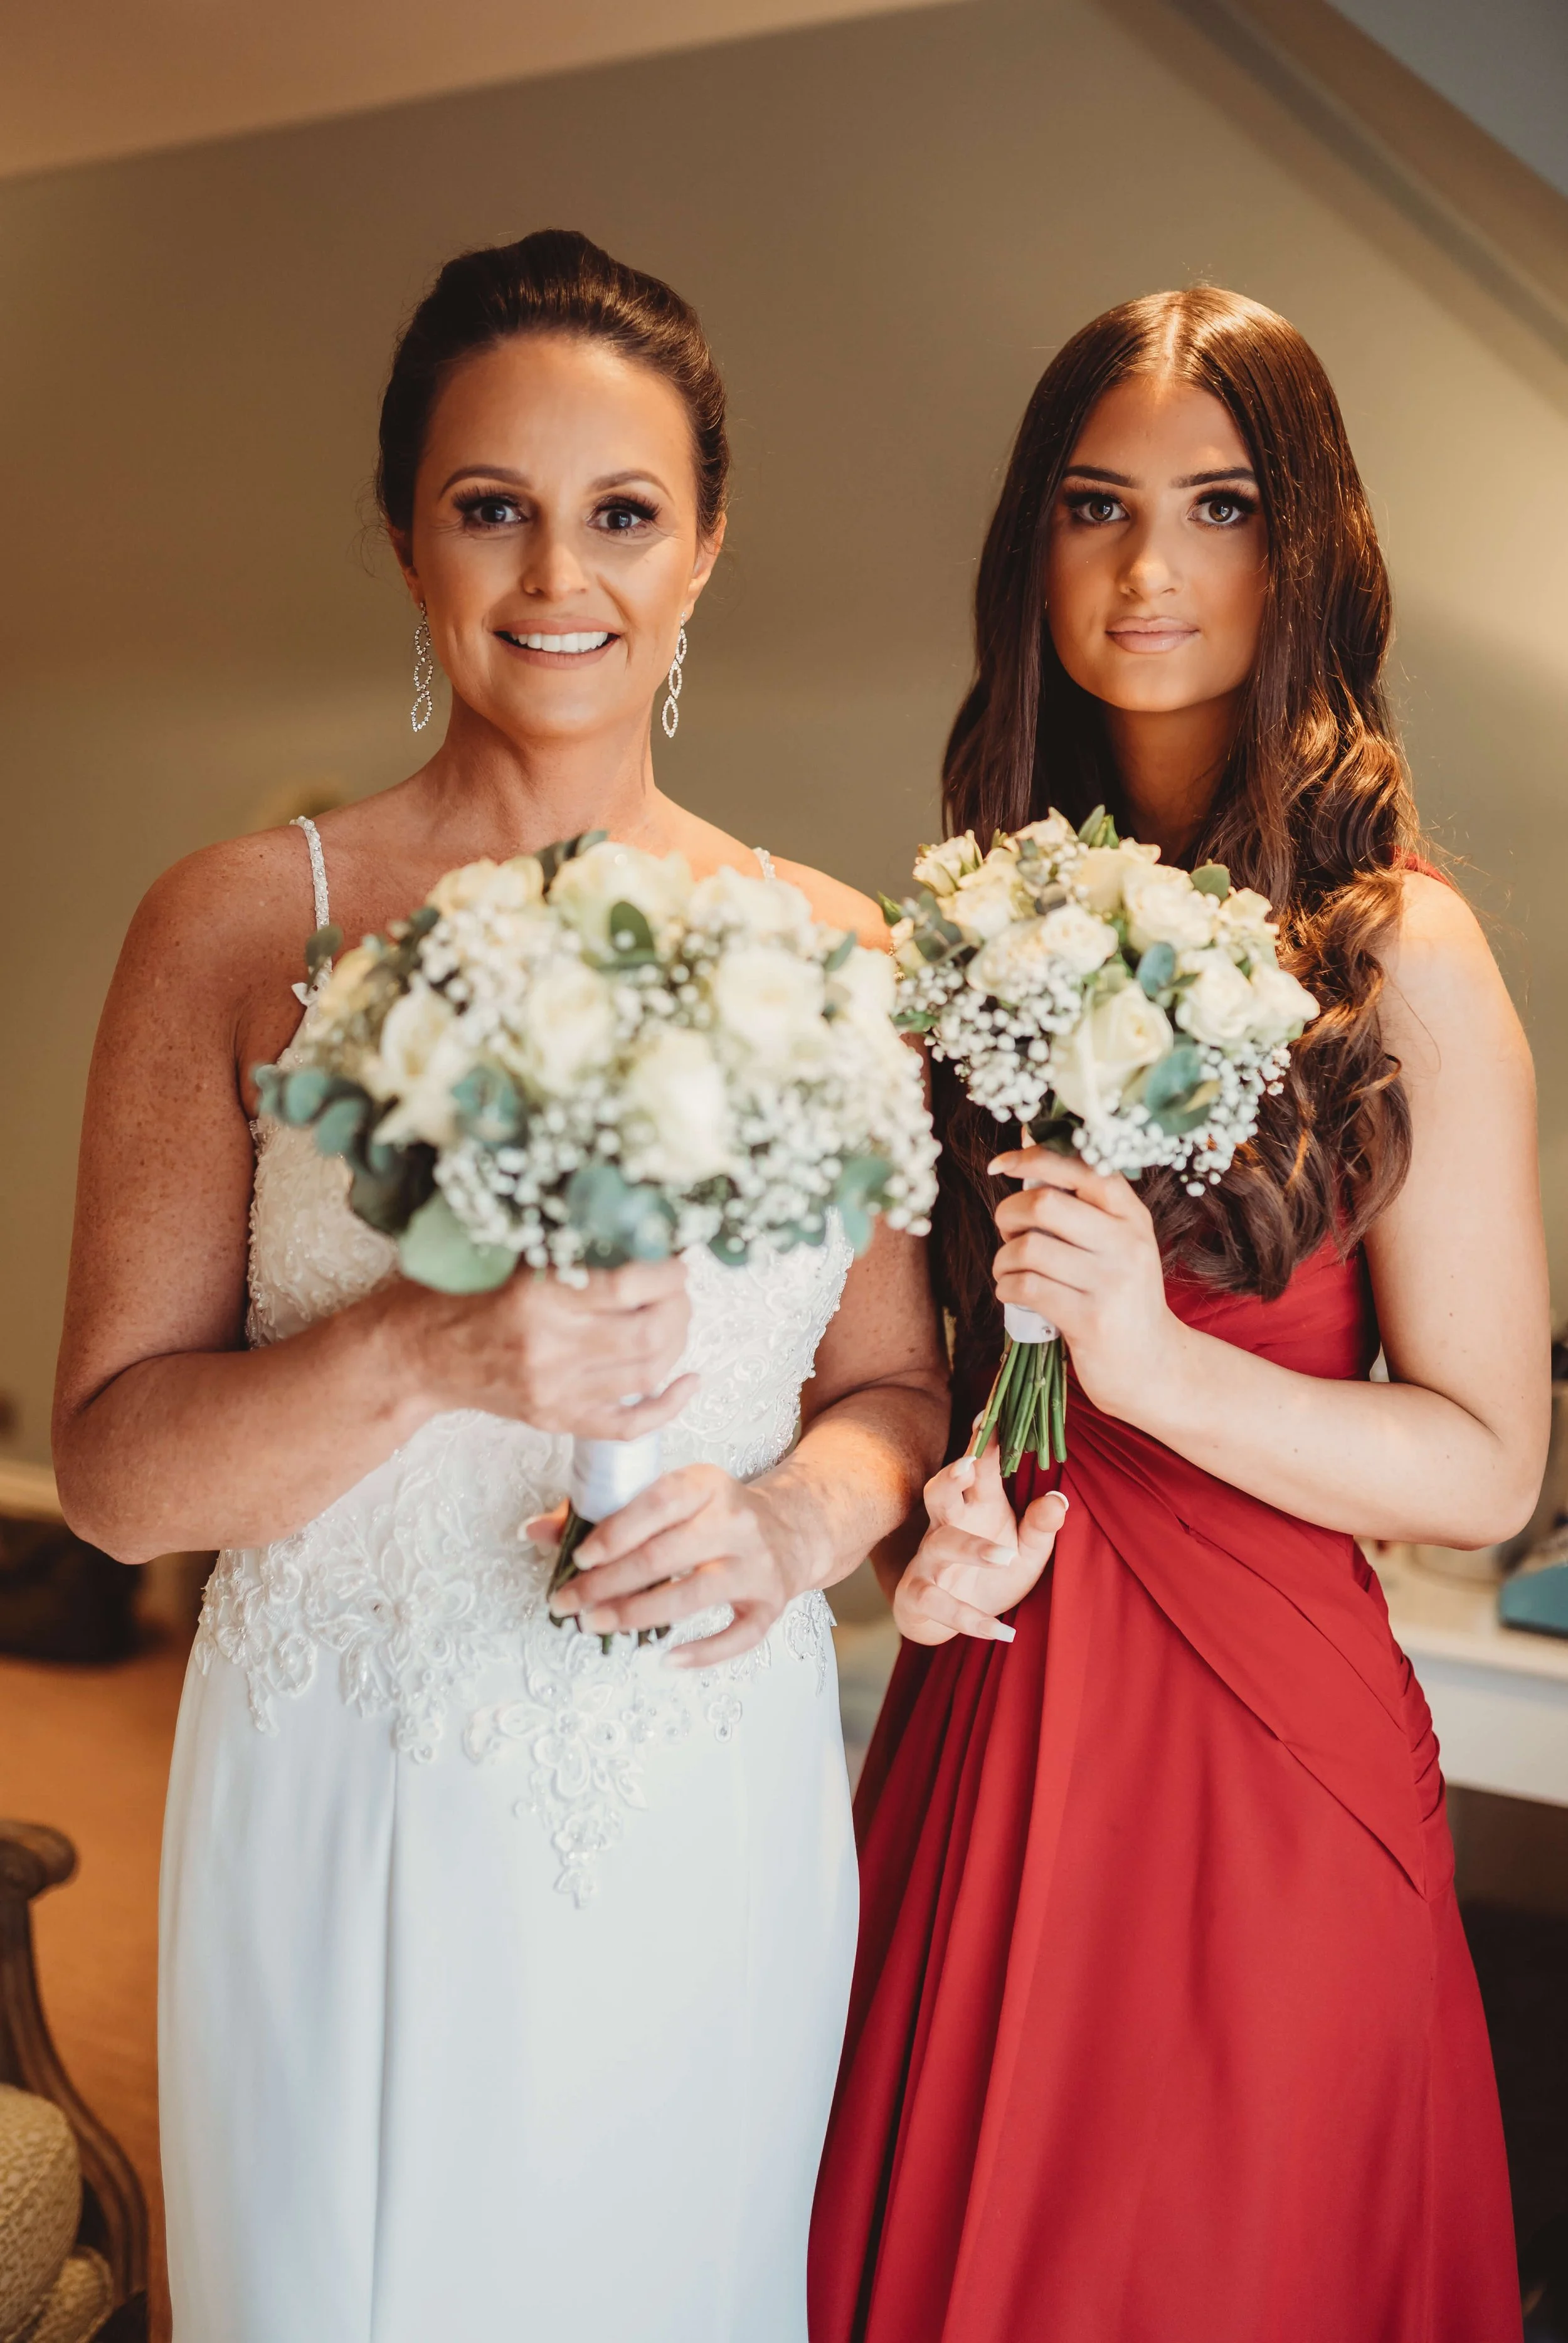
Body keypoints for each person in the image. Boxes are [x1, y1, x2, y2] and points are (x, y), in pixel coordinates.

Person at [51, 229, 947, 2343]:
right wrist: (424, 1345)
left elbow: (895, 1389)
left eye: (623, 512)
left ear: (707, 545)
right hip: (345, 1804)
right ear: (404, 541)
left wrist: (788, 1521)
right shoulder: (239, 924)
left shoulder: (836, 953)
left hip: (703, 1820)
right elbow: (109, 1479)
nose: (561, 574)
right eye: (493, 509)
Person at [809, 287, 1545, 2343]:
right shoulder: (967, 914)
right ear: (1026, 547)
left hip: (1265, 1760)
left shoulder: (1398, 950)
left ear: (1301, 545)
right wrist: (931, 1520)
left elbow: (1489, 1462)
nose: (1147, 569)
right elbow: (950, 1379)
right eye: (1092, 504)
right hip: (995, 1707)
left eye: (1216, 506)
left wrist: (1149, 1365)